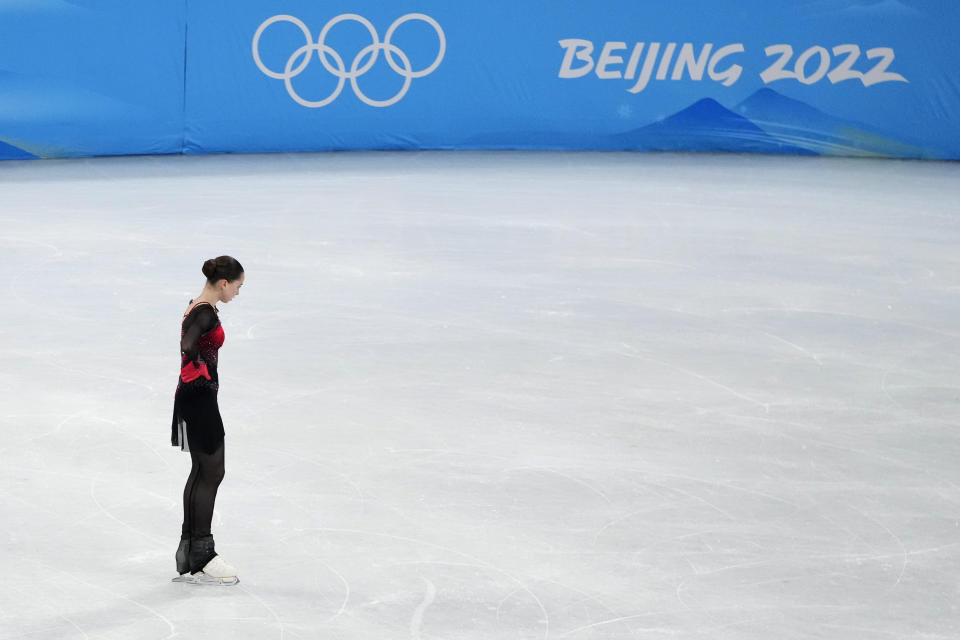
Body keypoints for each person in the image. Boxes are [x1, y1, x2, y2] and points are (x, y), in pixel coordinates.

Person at [171, 256, 244, 585]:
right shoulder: (203, 311)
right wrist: (199, 366)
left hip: (195, 396)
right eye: (238, 287)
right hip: (199, 398)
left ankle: (191, 550)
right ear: (224, 283)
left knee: (203, 470)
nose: (238, 294)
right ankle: (202, 553)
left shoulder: (198, 306)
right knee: (213, 470)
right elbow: (188, 344)